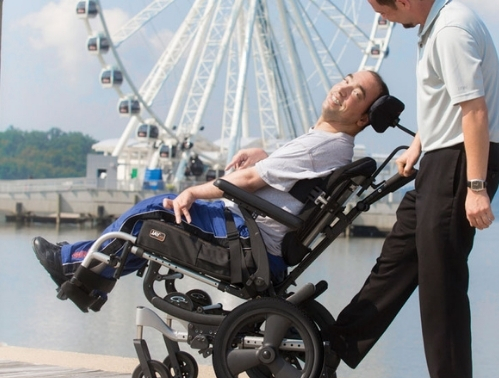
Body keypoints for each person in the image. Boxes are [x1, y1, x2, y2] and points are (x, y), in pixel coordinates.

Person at [32, 70, 389, 293]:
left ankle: (72, 263)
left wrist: (192, 191)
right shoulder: (330, 144)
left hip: (249, 238)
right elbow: (292, 179)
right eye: (346, 80)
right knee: (153, 229)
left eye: (357, 93)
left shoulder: (324, 145)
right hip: (258, 233)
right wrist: (265, 156)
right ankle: (87, 271)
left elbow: (248, 180)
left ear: (363, 118)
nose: (343, 89)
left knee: (155, 211)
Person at [328, 0, 499, 378]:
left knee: (441, 282)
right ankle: (332, 349)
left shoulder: (450, 30)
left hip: (462, 164)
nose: (382, 20)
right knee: (396, 261)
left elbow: (474, 110)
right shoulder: (432, 27)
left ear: (404, 1)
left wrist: (476, 188)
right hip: (440, 159)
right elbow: (447, 102)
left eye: (383, 11)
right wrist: (417, 145)